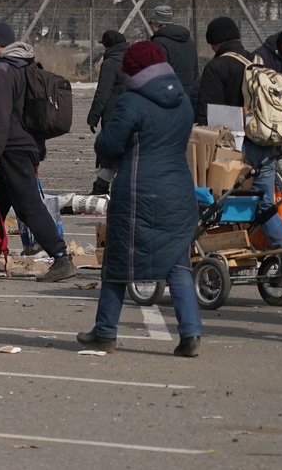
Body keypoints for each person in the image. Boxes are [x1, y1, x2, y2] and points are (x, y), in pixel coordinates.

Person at [78, 41, 202, 356]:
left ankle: (105, 331)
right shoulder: (183, 100)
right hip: (179, 190)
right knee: (177, 262)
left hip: (138, 191)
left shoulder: (131, 101)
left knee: (118, 262)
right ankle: (190, 333)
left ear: (133, 70)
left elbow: (107, 146)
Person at [0, 22, 75, 283]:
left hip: (14, 149)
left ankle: (61, 257)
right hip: (24, 147)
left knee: (28, 206)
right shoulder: (26, 67)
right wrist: (37, 154)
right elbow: (35, 114)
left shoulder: (1, 72)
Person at [197, 17, 282, 254]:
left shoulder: (217, 67)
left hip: (234, 146)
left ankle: (220, 249)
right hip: (264, 140)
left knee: (217, 199)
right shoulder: (257, 62)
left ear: (216, 43)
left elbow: (208, 114)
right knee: (263, 202)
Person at [84, 30, 128, 196]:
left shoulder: (110, 63)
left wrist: (93, 117)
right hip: (133, 113)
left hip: (113, 114)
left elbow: (102, 93)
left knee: (106, 151)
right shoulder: (135, 60)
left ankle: (100, 188)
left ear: (107, 46)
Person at [147, 5, 198, 92]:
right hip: (188, 94)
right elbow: (195, 73)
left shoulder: (158, 43)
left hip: (168, 96)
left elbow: (158, 75)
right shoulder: (189, 41)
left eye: (151, 24)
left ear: (156, 24)